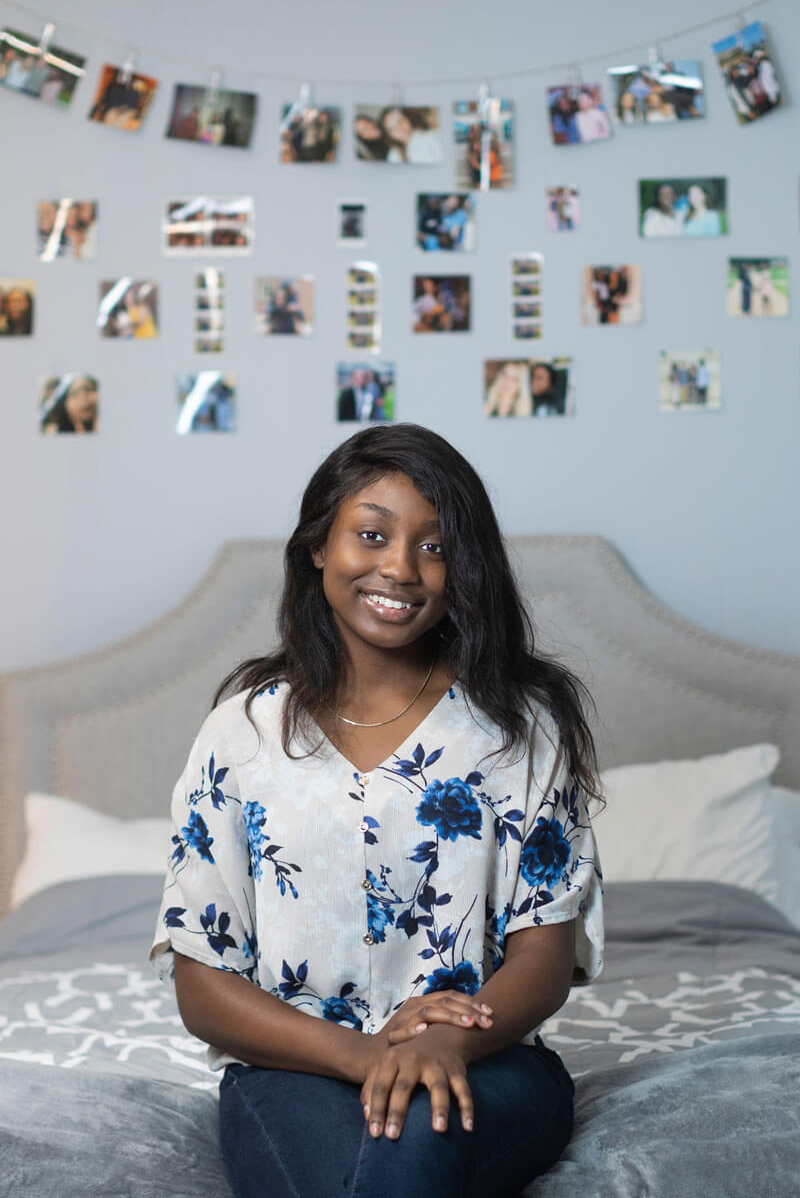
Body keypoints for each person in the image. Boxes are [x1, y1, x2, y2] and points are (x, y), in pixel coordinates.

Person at [150, 423, 603, 1198]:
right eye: (371, 534)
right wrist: (367, 1056)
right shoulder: (243, 734)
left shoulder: (521, 729)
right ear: (318, 547)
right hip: (291, 1068)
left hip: (488, 1065)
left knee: (409, 1146)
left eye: (436, 546)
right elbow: (203, 982)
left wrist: (442, 1047)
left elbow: (544, 959)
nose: (400, 568)